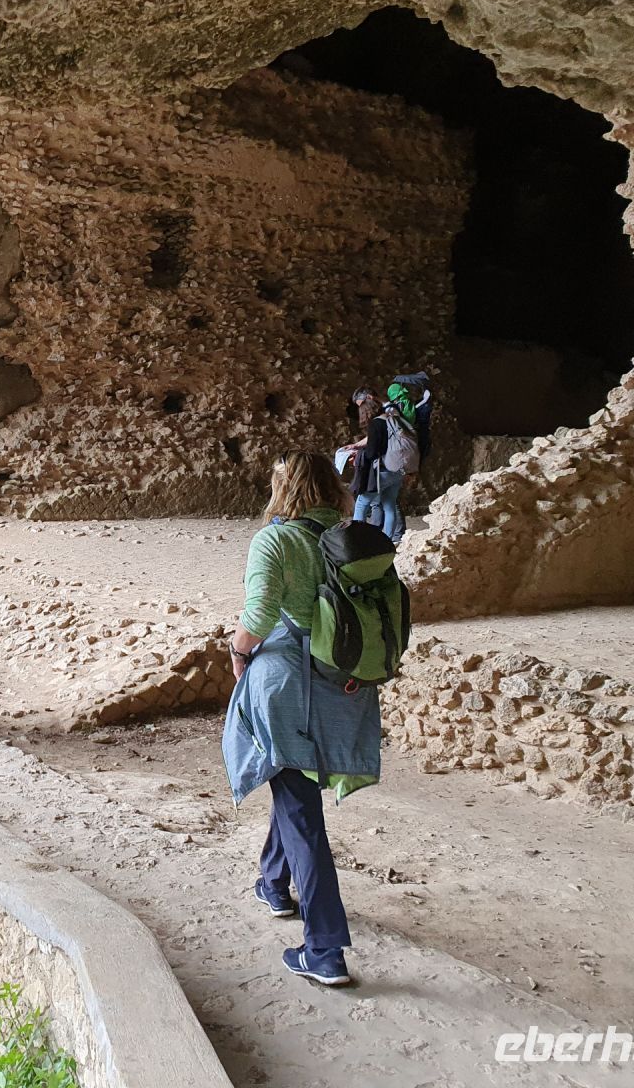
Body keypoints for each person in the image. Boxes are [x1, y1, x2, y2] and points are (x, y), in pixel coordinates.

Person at [223, 452, 365, 988]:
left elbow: (258, 615)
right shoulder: (354, 536)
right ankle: (274, 883)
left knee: (300, 808)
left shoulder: (276, 540)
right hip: (342, 680)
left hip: (286, 682)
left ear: (284, 488)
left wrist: (237, 655)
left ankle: (325, 948)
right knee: (292, 783)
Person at [348, 388, 406, 542]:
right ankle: (388, 541)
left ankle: (357, 540)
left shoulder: (375, 424)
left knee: (361, 503)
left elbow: (372, 452)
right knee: (389, 505)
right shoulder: (393, 417)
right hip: (398, 470)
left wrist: (357, 457)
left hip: (384, 471)